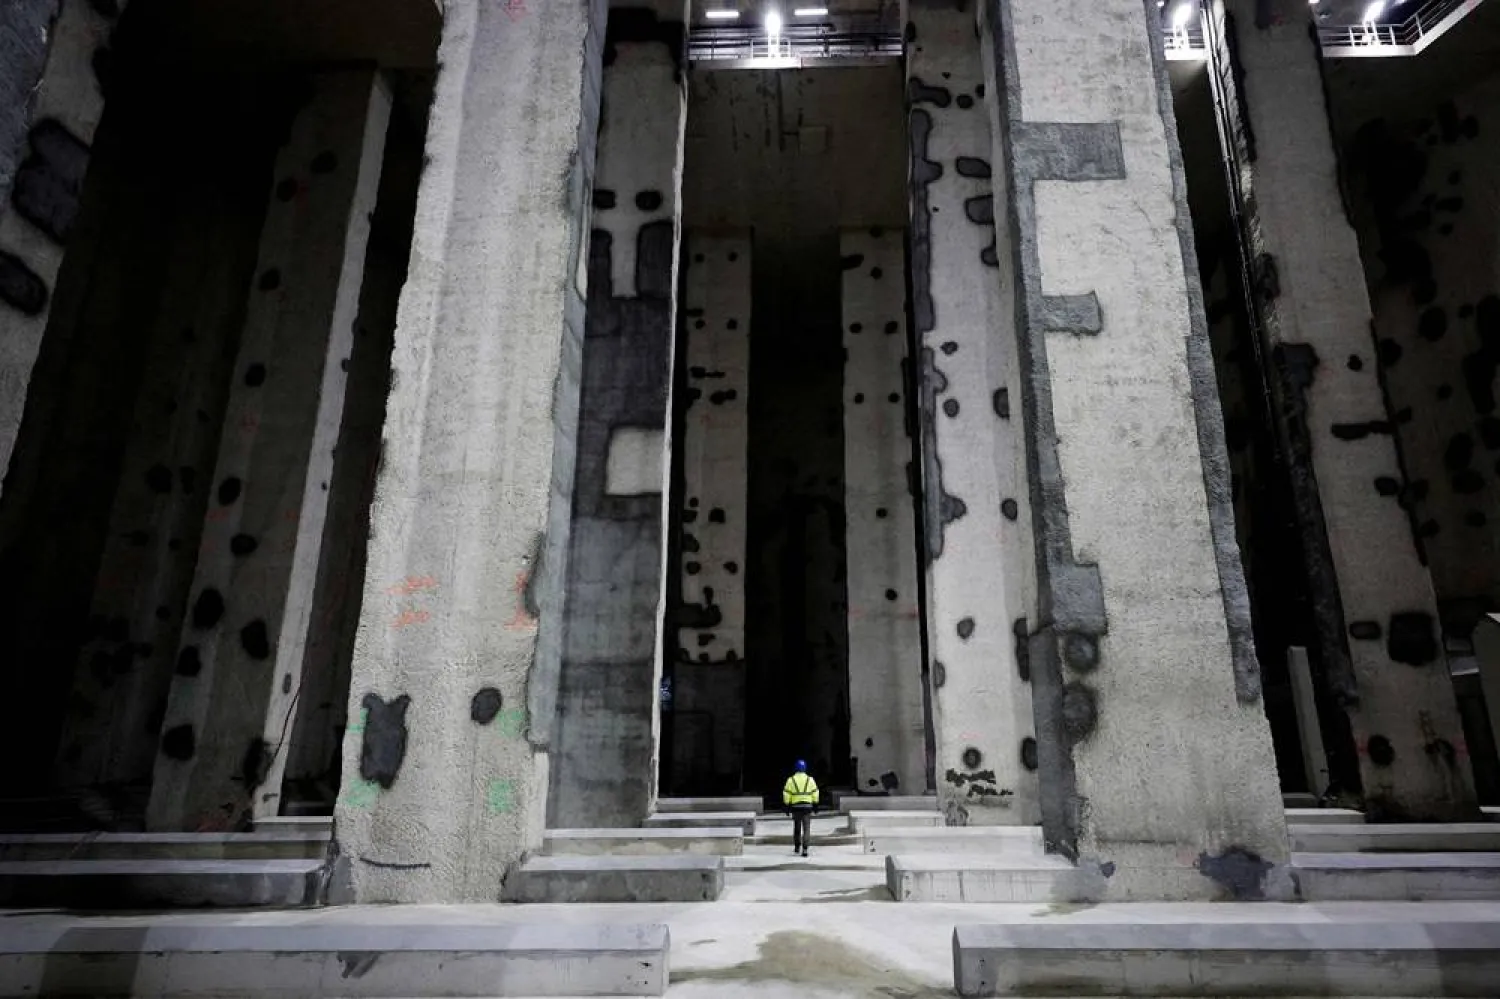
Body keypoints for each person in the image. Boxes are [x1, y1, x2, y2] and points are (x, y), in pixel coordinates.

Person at [781, 759, 819, 857]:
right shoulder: (810, 780)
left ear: (795, 768)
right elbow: (815, 792)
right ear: (805, 768)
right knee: (806, 828)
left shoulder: (791, 780)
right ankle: (805, 849)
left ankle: (797, 846)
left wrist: (787, 806)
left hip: (796, 807)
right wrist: (815, 805)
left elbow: (786, 793)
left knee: (797, 827)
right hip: (807, 807)